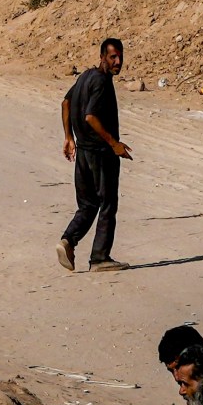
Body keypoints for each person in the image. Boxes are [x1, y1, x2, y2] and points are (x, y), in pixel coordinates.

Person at [58, 38, 132, 272]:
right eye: (113, 57)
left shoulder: (86, 76)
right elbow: (90, 116)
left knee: (88, 205)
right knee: (108, 203)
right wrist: (114, 143)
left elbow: (66, 103)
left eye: (120, 57)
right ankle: (100, 258)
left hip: (83, 153)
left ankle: (68, 241)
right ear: (102, 57)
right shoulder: (100, 81)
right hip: (100, 154)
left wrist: (68, 137)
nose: (118, 62)